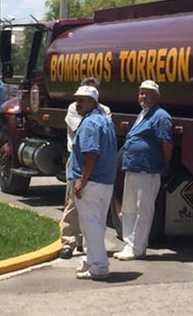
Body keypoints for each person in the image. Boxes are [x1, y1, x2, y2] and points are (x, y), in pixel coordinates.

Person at [113, 80, 173, 261]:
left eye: (148, 93)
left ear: (156, 96)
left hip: (147, 170)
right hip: (132, 168)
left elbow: (166, 145)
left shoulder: (161, 117)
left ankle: (138, 247)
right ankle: (129, 244)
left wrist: (162, 164)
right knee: (129, 208)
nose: (143, 96)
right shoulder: (142, 113)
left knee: (143, 210)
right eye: (141, 93)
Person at [65, 83, 118, 281]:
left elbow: (91, 155)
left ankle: (99, 267)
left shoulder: (89, 124)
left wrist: (82, 181)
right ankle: (91, 260)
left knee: (90, 225)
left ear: (92, 102)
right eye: (76, 100)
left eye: (81, 100)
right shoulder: (105, 121)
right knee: (97, 224)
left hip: (92, 182)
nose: (77, 104)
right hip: (105, 182)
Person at [59, 77, 111, 260]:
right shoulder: (74, 109)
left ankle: (88, 244)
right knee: (73, 203)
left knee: (92, 208)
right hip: (77, 160)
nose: (78, 101)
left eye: (85, 96)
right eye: (79, 96)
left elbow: (99, 135)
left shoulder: (104, 110)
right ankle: (69, 242)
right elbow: (81, 130)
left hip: (96, 163)